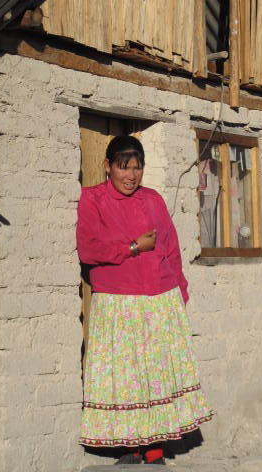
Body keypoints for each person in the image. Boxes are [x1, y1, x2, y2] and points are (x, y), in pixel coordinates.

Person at [76, 135, 213, 465]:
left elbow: (170, 246)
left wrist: (179, 290)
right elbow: (89, 249)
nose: (131, 176)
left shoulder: (152, 199)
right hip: (119, 303)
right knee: (126, 377)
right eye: (124, 168)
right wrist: (132, 248)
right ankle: (129, 448)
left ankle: (154, 451)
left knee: (155, 375)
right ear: (107, 166)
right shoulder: (92, 199)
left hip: (158, 300)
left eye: (137, 168)